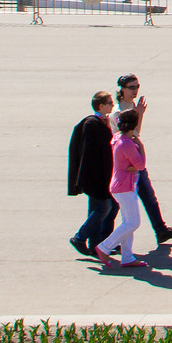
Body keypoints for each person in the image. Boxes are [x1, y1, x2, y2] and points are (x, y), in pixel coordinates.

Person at [114, 74, 172, 245]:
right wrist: (138, 114)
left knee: (148, 196)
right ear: (122, 89)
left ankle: (160, 230)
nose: (135, 90)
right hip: (126, 161)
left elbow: (135, 132)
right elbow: (128, 134)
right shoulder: (118, 111)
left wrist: (139, 113)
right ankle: (103, 239)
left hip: (134, 156)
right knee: (116, 205)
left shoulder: (131, 105)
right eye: (131, 87)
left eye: (137, 86)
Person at [93, 110, 150, 268]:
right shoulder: (128, 143)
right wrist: (142, 148)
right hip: (124, 187)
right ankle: (104, 247)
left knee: (127, 222)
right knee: (133, 222)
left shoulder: (119, 137)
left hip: (121, 185)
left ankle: (127, 257)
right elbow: (140, 165)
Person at [67, 91, 117, 256]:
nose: (112, 105)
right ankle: (80, 237)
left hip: (102, 175)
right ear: (100, 106)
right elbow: (89, 153)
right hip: (96, 176)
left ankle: (96, 244)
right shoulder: (91, 124)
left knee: (96, 209)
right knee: (104, 208)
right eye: (109, 103)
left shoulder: (103, 122)